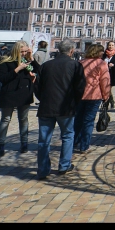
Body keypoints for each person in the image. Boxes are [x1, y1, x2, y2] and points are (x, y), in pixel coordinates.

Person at [34, 39, 85, 179]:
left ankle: (43, 169)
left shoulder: (46, 65)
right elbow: (80, 87)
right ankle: (64, 165)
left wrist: (43, 99)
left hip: (46, 107)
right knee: (68, 136)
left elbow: (37, 86)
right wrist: (75, 101)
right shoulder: (75, 65)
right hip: (66, 107)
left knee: (44, 140)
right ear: (72, 51)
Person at [0, 40, 40, 156]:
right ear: (16, 51)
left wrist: (31, 58)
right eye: (22, 51)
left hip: (24, 94)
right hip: (9, 94)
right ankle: (1, 144)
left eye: (26, 51)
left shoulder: (27, 61)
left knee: (23, 119)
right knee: (5, 119)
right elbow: (3, 78)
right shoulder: (4, 61)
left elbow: (39, 70)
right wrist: (18, 69)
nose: (24, 53)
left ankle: (24, 143)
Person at [74, 44, 110, 156]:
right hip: (94, 95)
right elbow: (105, 81)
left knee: (78, 119)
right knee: (88, 121)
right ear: (98, 52)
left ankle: (75, 141)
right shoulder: (101, 63)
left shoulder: (81, 63)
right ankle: (84, 146)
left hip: (80, 95)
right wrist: (106, 95)